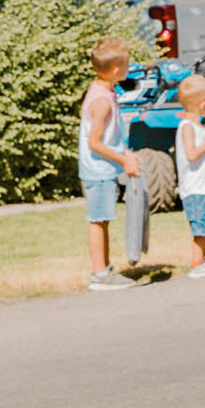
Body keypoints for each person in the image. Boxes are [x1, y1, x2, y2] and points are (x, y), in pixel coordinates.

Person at [80, 37, 141, 292]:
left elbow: (110, 136)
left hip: (103, 169)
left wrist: (125, 151)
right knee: (98, 220)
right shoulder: (102, 101)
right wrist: (123, 159)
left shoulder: (105, 91)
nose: (129, 68)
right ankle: (100, 274)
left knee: (103, 220)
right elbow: (95, 142)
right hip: (98, 170)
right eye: (127, 65)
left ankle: (105, 269)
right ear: (116, 70)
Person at [173, 75, 205, 278]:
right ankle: (196, 263)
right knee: (201, 229)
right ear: (203, 104)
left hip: (204, 185)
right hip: (194, 188)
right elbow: (192, 154)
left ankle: (203, 259)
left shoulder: (197, 127)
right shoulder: (186, 128)